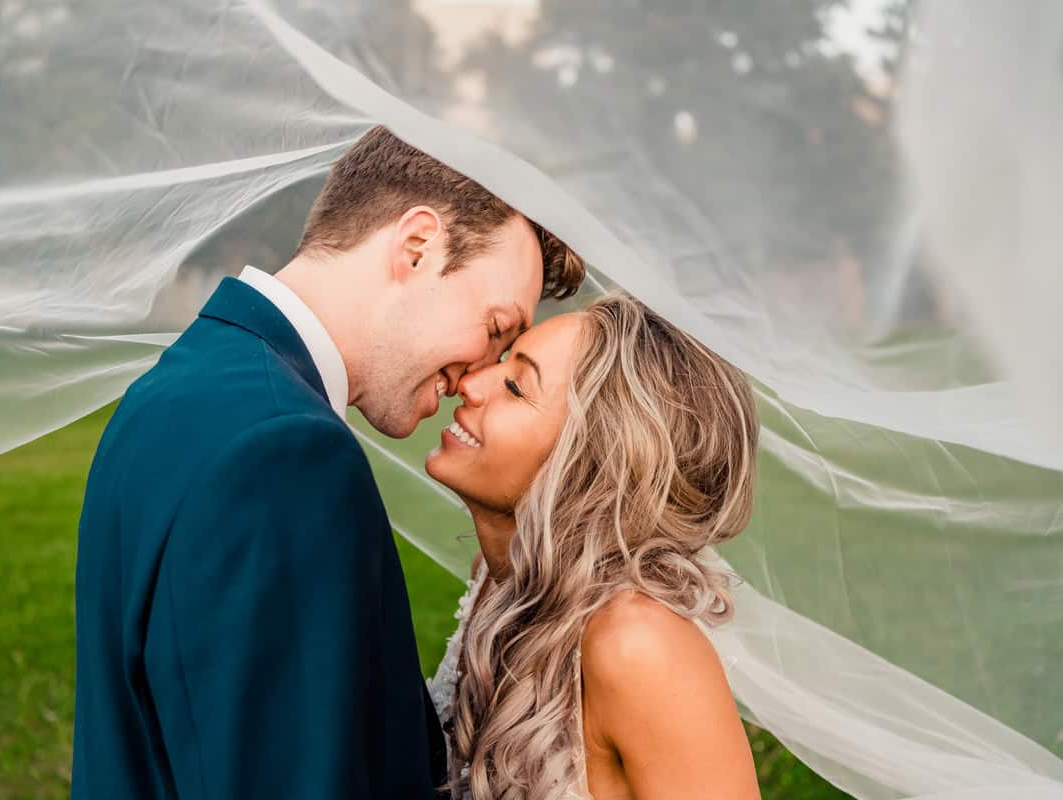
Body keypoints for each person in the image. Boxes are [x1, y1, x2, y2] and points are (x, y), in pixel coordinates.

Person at [71, 126, 584, 799]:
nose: (477, 379)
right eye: (496, 330)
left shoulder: (180, 385)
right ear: (417, 246)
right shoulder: (284, 452)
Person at [426, 294, 762, 800]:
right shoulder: (498, 580)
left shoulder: (639, 645)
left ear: (592, 464)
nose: (470, 384)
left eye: (516, 386)